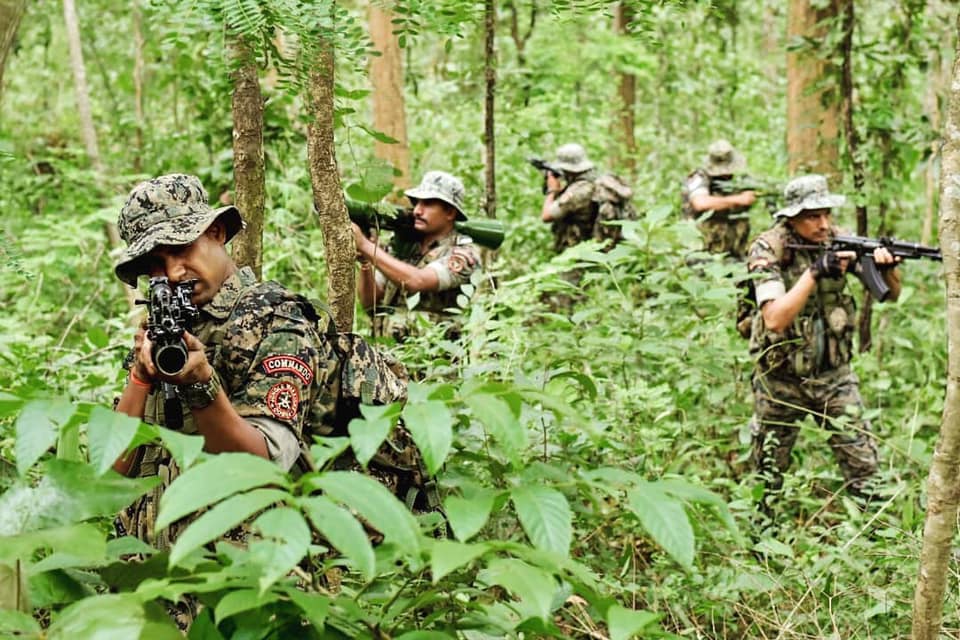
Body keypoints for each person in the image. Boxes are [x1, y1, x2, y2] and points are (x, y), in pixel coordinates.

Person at [110, 173, 348, 546]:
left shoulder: (277, 319)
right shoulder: (161, 329)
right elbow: (112, 477)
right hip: (154, 573)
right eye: (155, 264)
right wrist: (140, 377)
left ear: (217, 232)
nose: (172, 273)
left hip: (248, 568)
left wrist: (201, 386)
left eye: (181, 249)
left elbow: (263, 465)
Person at [745, 174, 901, 508]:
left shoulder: (841, 240)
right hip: (780, 379)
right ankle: (763, 547)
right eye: (812, 216)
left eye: (826, 213)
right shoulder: (767, 248)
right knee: (768, 475)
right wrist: (815, 272)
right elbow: (774, 319)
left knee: (866, 470)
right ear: (792, 217)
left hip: (833, 377)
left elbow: (890, 295)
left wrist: (888, 267)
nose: (823, 223)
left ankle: (874, 544)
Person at [352, 170, 481, 342]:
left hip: (430, 359)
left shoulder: (463, 253)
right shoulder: (403, 246)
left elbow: (417, 281)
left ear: (450, 212)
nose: (418, 211)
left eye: (427, 204)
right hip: (386, 353)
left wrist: (366, 246)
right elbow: (370, 305)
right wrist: (366, 263)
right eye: (417, 203)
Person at [682, 139, 757, 259]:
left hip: (735, 248)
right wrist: (738, 199)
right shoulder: (699, 177)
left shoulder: (739, 179)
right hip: (703, 250)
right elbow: (700, 202)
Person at [540, 143, 599, 254]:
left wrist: (552, 190)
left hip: (577, 251)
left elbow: (546, 216)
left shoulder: (578, 192)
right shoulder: (588, 183)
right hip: (586, 248)